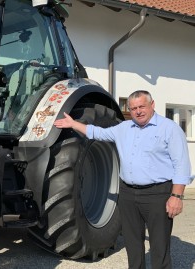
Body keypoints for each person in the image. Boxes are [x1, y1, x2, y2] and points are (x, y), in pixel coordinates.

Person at [53, 90, 192, 269]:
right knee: (133, 243)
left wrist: (176, 197)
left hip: (157, 194)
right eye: (133, 108)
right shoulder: (124, 128)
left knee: (159, 245)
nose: (138, 111)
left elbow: (181, 166)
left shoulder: (170, 129)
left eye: (142, 106)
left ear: (152, 105)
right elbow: (97, 133)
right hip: (127, 193)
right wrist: (73, 124)